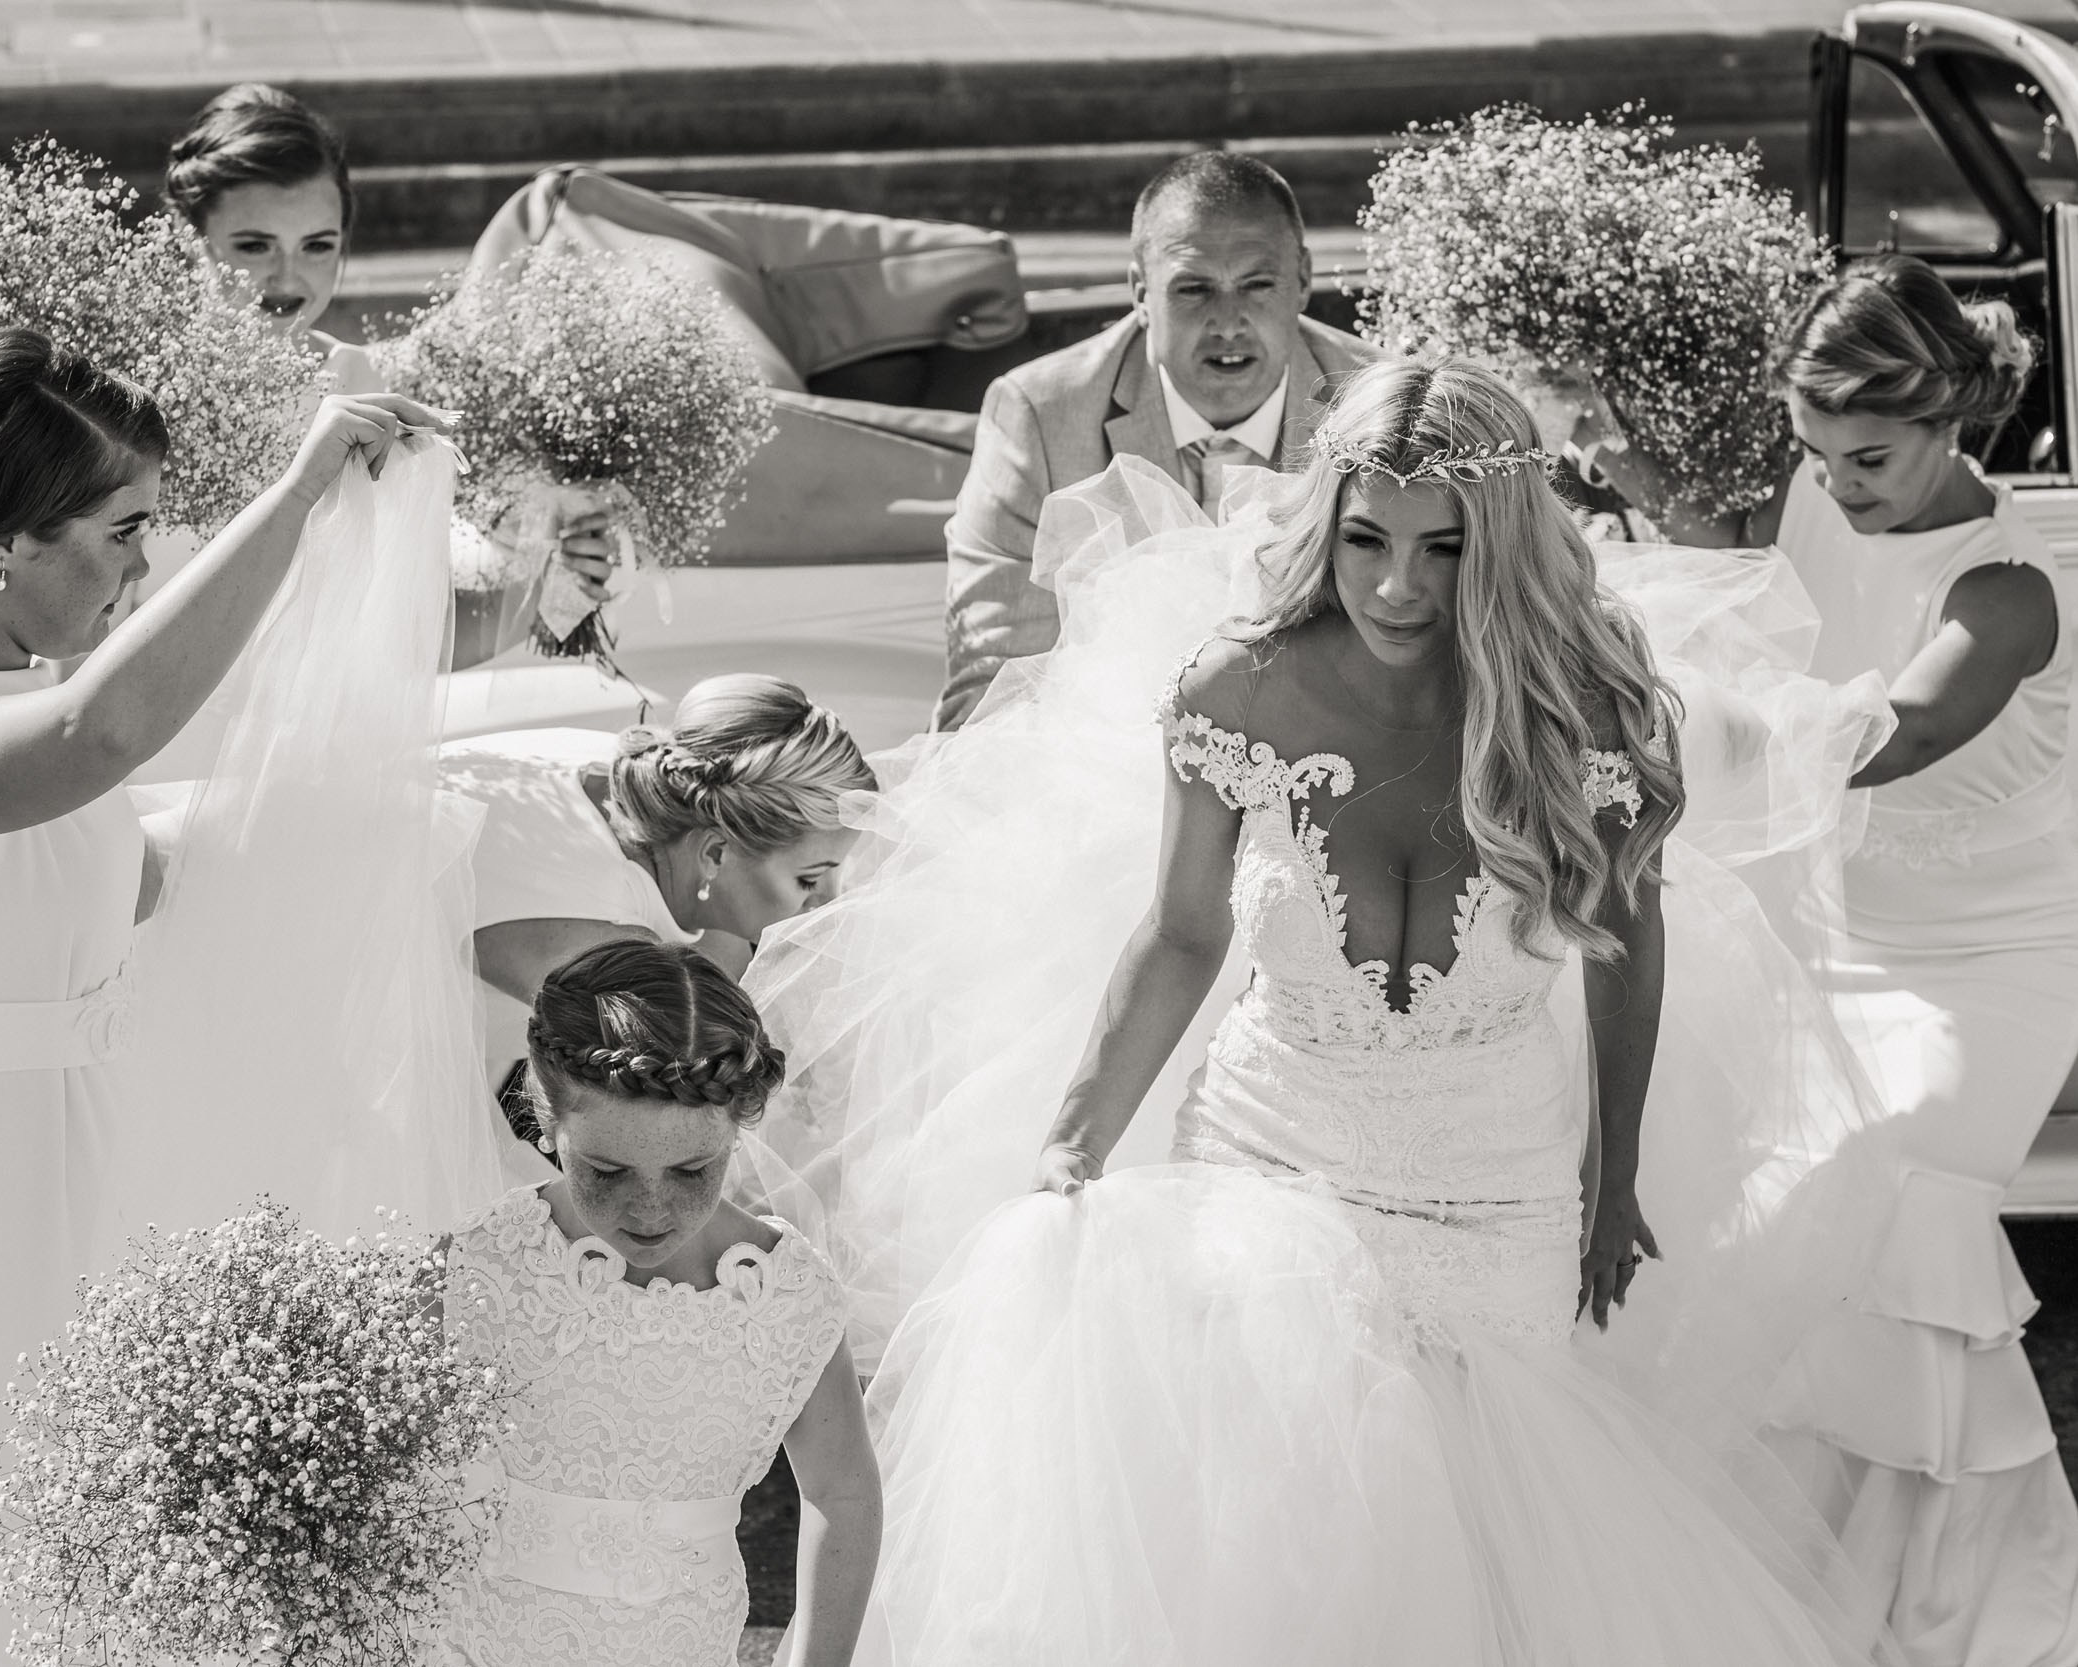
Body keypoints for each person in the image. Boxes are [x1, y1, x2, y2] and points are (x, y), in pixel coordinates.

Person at [746, 358, 1911, 1663]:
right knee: (1264, 1517)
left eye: (1441, 548)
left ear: (1504, 543)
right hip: (1270, 1143)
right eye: (1365, 539)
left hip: (1499, 1183)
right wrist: (1074, 1134)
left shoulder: (1584, 710)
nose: (1398, 585)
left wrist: (1614, 1170)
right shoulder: (1237, 687)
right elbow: (1183, 933)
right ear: (1327, 526)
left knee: (1470, 1534)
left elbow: (1624, 943)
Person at [0, 325, 448, 1665]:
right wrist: (303, 489)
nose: (142, 567)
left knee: (88, 1611)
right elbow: (107, 733)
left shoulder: (7, 709)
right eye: (124, 529)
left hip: (61, 1181)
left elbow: (127, 870)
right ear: (2, 540)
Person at [1741, 258, 2075, 1667]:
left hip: (1996, 959)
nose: (1839, 485)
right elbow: (1760, 612)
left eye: (1868, 456)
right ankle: (1812, 1580)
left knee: (1911, 1192)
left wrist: (1679, 732)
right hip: (1836, 930)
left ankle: (1962, 1607)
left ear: (1951, 422)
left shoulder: (2011, 586)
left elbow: (1895, 734)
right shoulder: (1817, 499)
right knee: (1798, 1219)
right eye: (1814, 455)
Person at [440, 938, 877, 1667]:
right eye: (607, 1170)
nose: (650, 1206)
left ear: (739, 1122)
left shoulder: (786, 1297)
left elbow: (844, 1490)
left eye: (691, 1169)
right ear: (546, 1119)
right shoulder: (476, 1267)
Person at [160, 81, 611, 669]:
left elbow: (400, 647)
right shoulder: (129, 399)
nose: (288, 277)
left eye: (318, 246)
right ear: (183, 238)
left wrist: (557, 589)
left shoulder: (361, 385)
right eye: (254, 245)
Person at [936, 150, 1378, 730]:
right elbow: (993, 677)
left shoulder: (1377, 408)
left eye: (1258, 284)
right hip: (1103, 759)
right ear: (1141, 292)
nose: (1227, 321)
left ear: (1301, 281)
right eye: (1193, 289)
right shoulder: (1038, 415)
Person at [441, 674, 875, 1145]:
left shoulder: (663, 782)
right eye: (808, 879)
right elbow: (606, 1140)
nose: (829, 903)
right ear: (713, 854)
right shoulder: (594, 943)